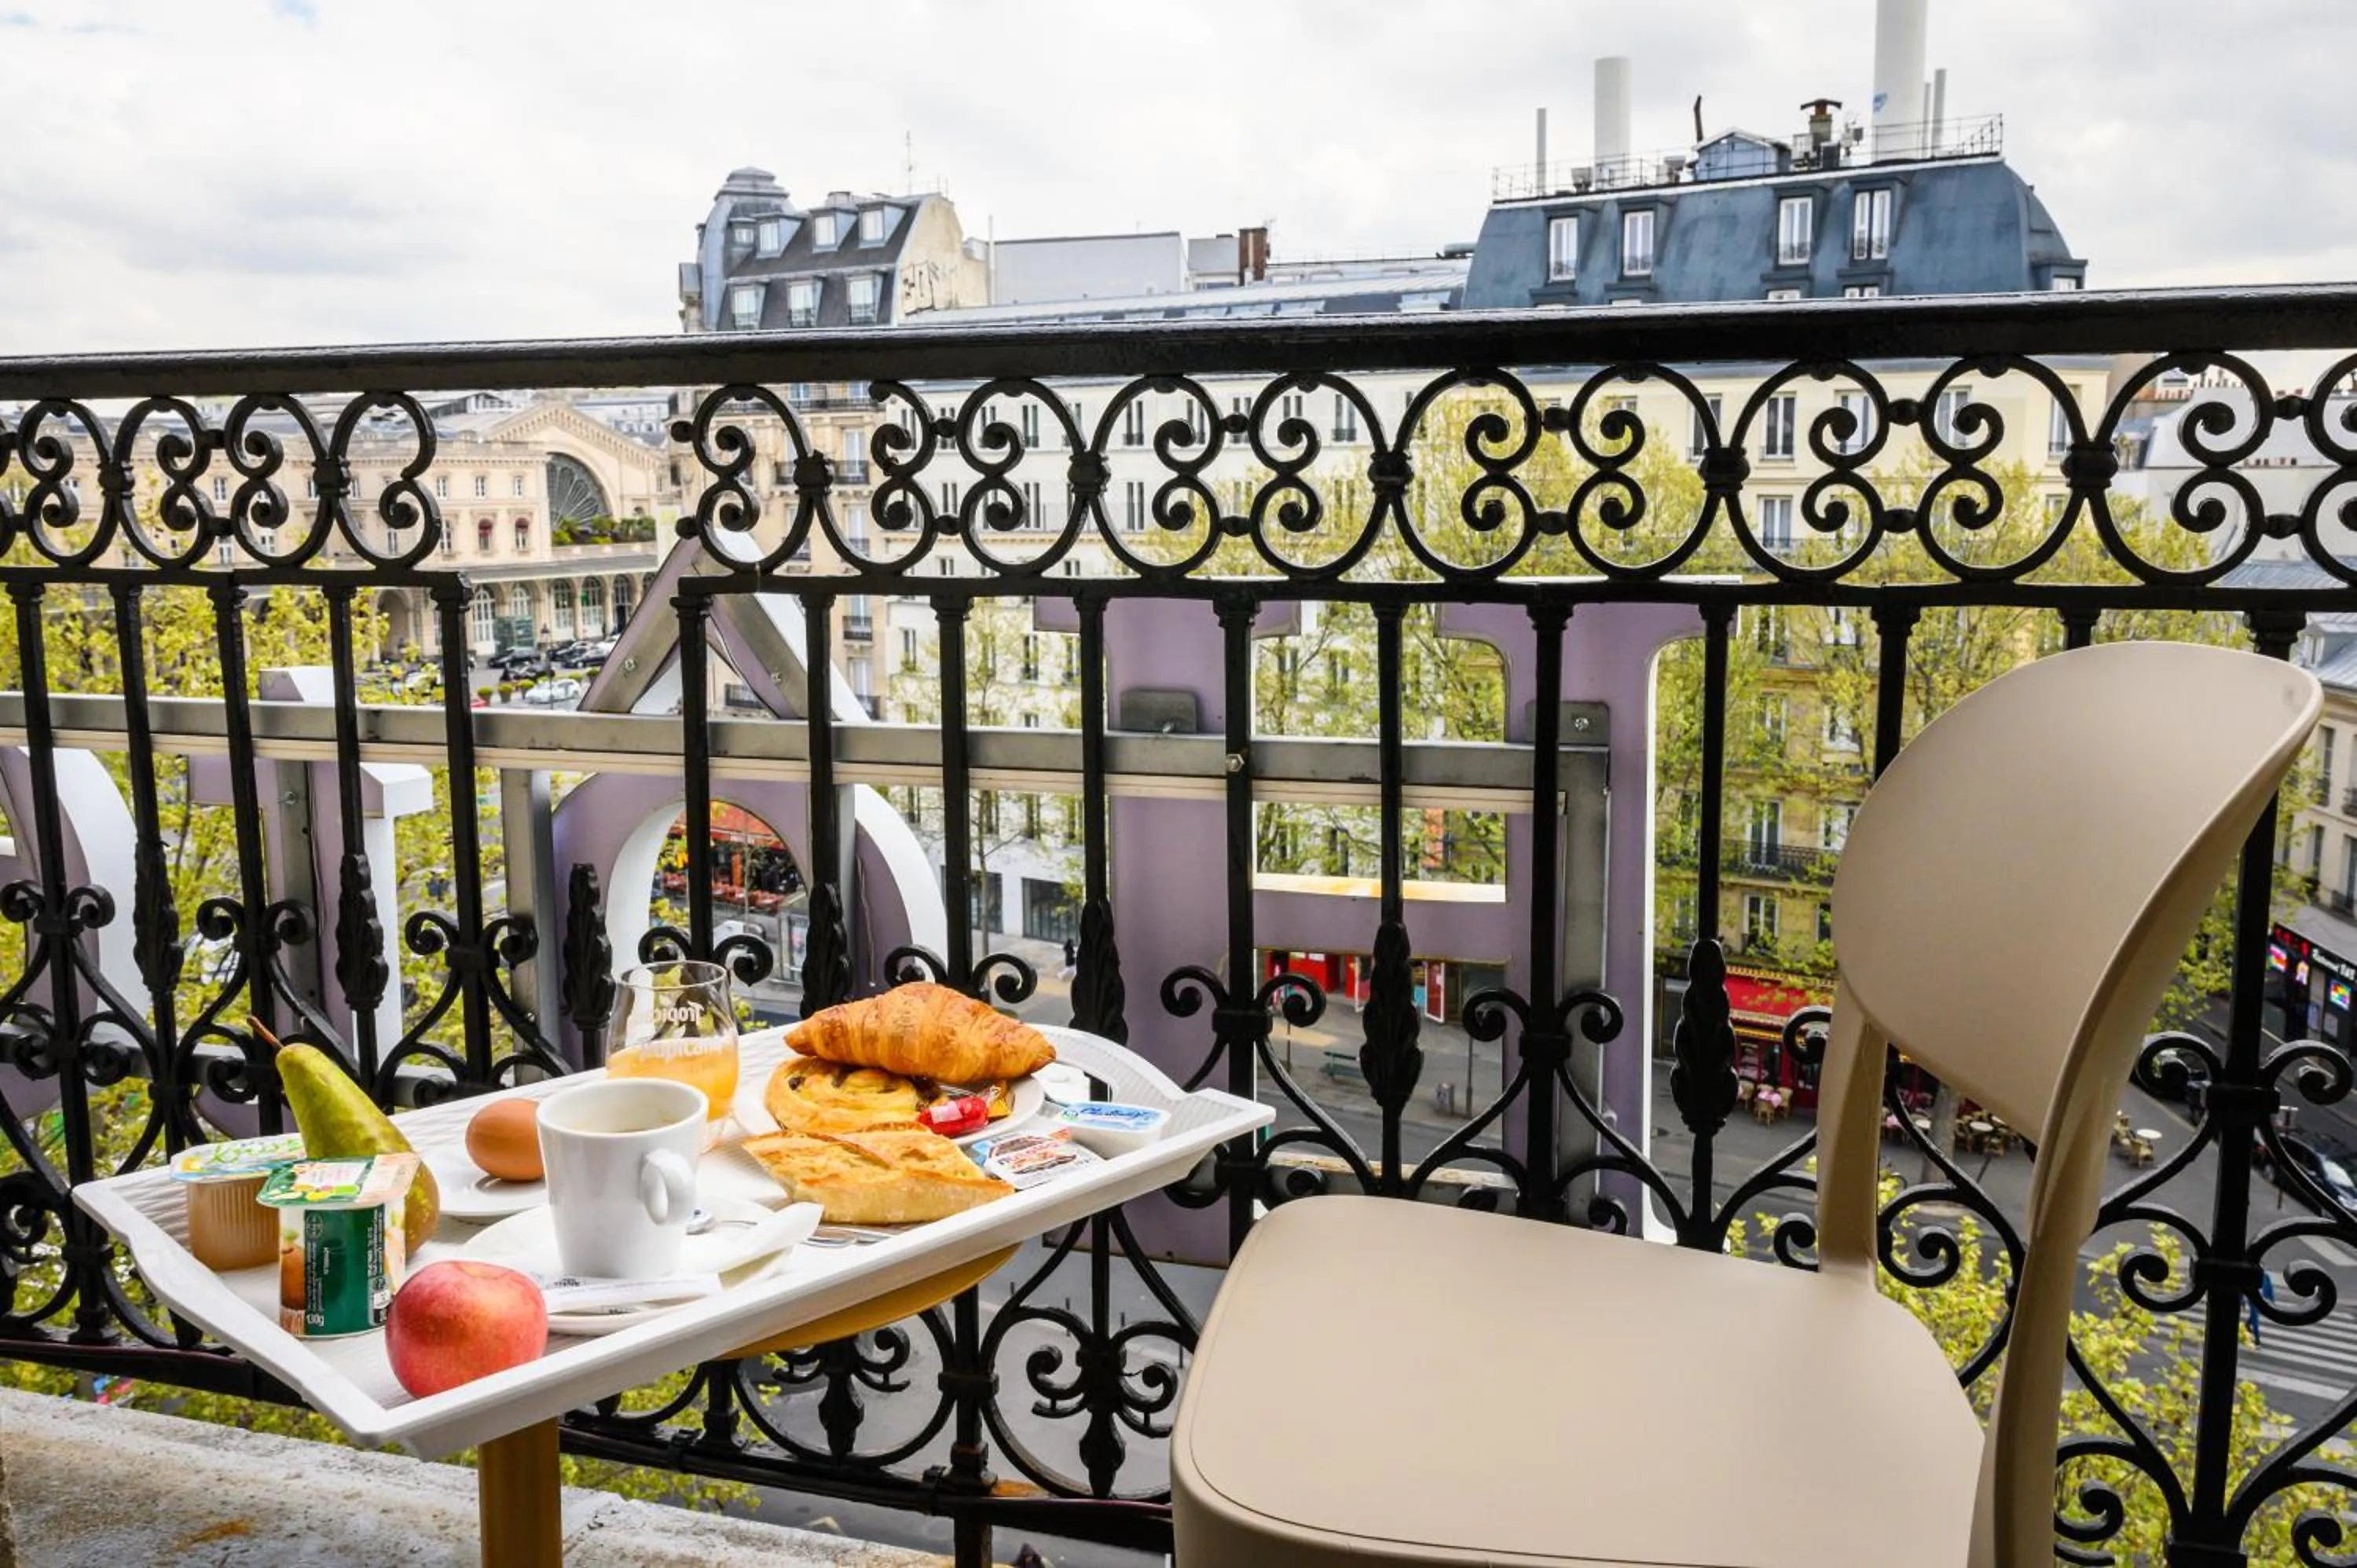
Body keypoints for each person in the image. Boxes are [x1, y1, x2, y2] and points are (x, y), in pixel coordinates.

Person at [2246, 1269, 2275, 1345]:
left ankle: (2248, 1323)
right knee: (2255, 1318)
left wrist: (2272, 1299)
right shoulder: (2252, 1278)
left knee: (2255, 1315)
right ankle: (2257, 1338)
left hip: (2262, 1300)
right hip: (2254, 1301)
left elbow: (2270, 1288)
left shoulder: (2266, 1277)